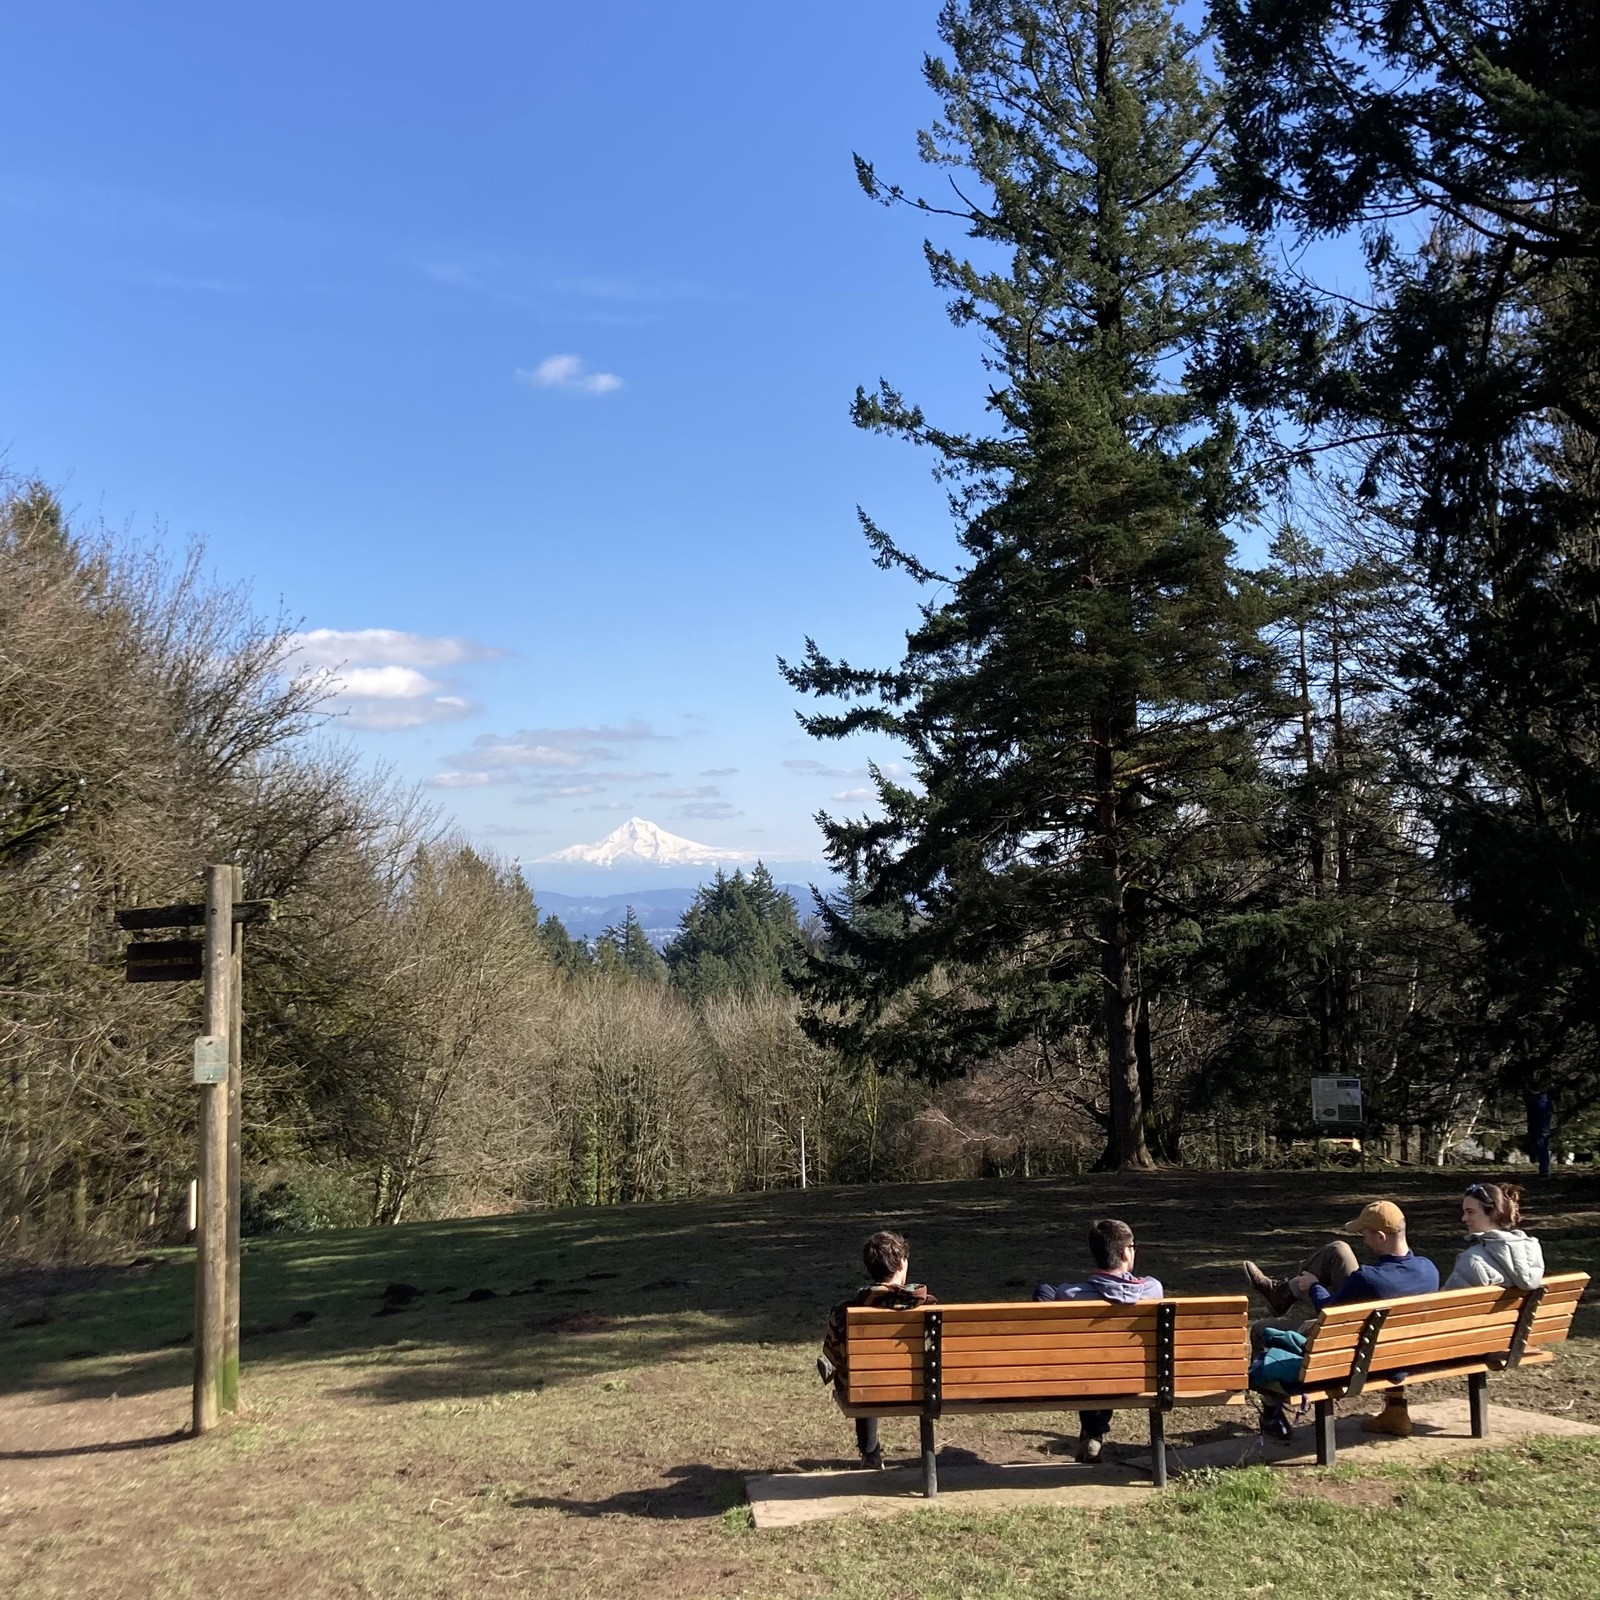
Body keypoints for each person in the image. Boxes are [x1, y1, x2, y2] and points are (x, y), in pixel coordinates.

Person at [1243, 1199, 1439, 1439]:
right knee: (1339, 1250)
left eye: (1365, 1235)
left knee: (1261, 1330)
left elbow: (1328, 1314)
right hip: (1398, 1352)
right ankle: (1282, 1292)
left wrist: (1314, 1286)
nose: (1363, 1241)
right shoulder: (1429, 1270)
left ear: (1380, 1236)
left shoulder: (1368, 1280)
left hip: (1352, 1355)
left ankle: (1271, 1417)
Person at [1034, 1217, 1163, 1464]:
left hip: (1086, 1373)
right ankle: (1093, 1434)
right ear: (1126, 1252)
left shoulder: (1070, 1294)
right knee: (1103, 1361)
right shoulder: (1153, 1290)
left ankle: (1092, 1433)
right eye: (1133, 1247)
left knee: (1045, 1293)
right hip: (1140, 1376)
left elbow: (1057, 1295)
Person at [819, 1229, 936, 1469]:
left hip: (869, 1388)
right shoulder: (930, 1307)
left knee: (861, 1373)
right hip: (925, 1387)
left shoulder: (847, 1310)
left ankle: (870, 1454)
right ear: (902, 1263)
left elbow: (835, 1354)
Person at [1444, 1182, 1543, 1290]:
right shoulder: (1532, 1253)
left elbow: (1443, 1304)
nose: (1464, 1218)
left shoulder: (1472, 1261)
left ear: (1493, 1213)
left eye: (1470, 1212)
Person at [1526, 1090, 1555, 1179]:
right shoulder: (1548, 1102)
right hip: (1546, 1129)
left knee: (1541, 1150)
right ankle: (1545, 1169)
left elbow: (1532, 1116)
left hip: (1537, 1129)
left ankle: (1544, 1170)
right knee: (1544, 1150)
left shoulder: (1534, 1101)